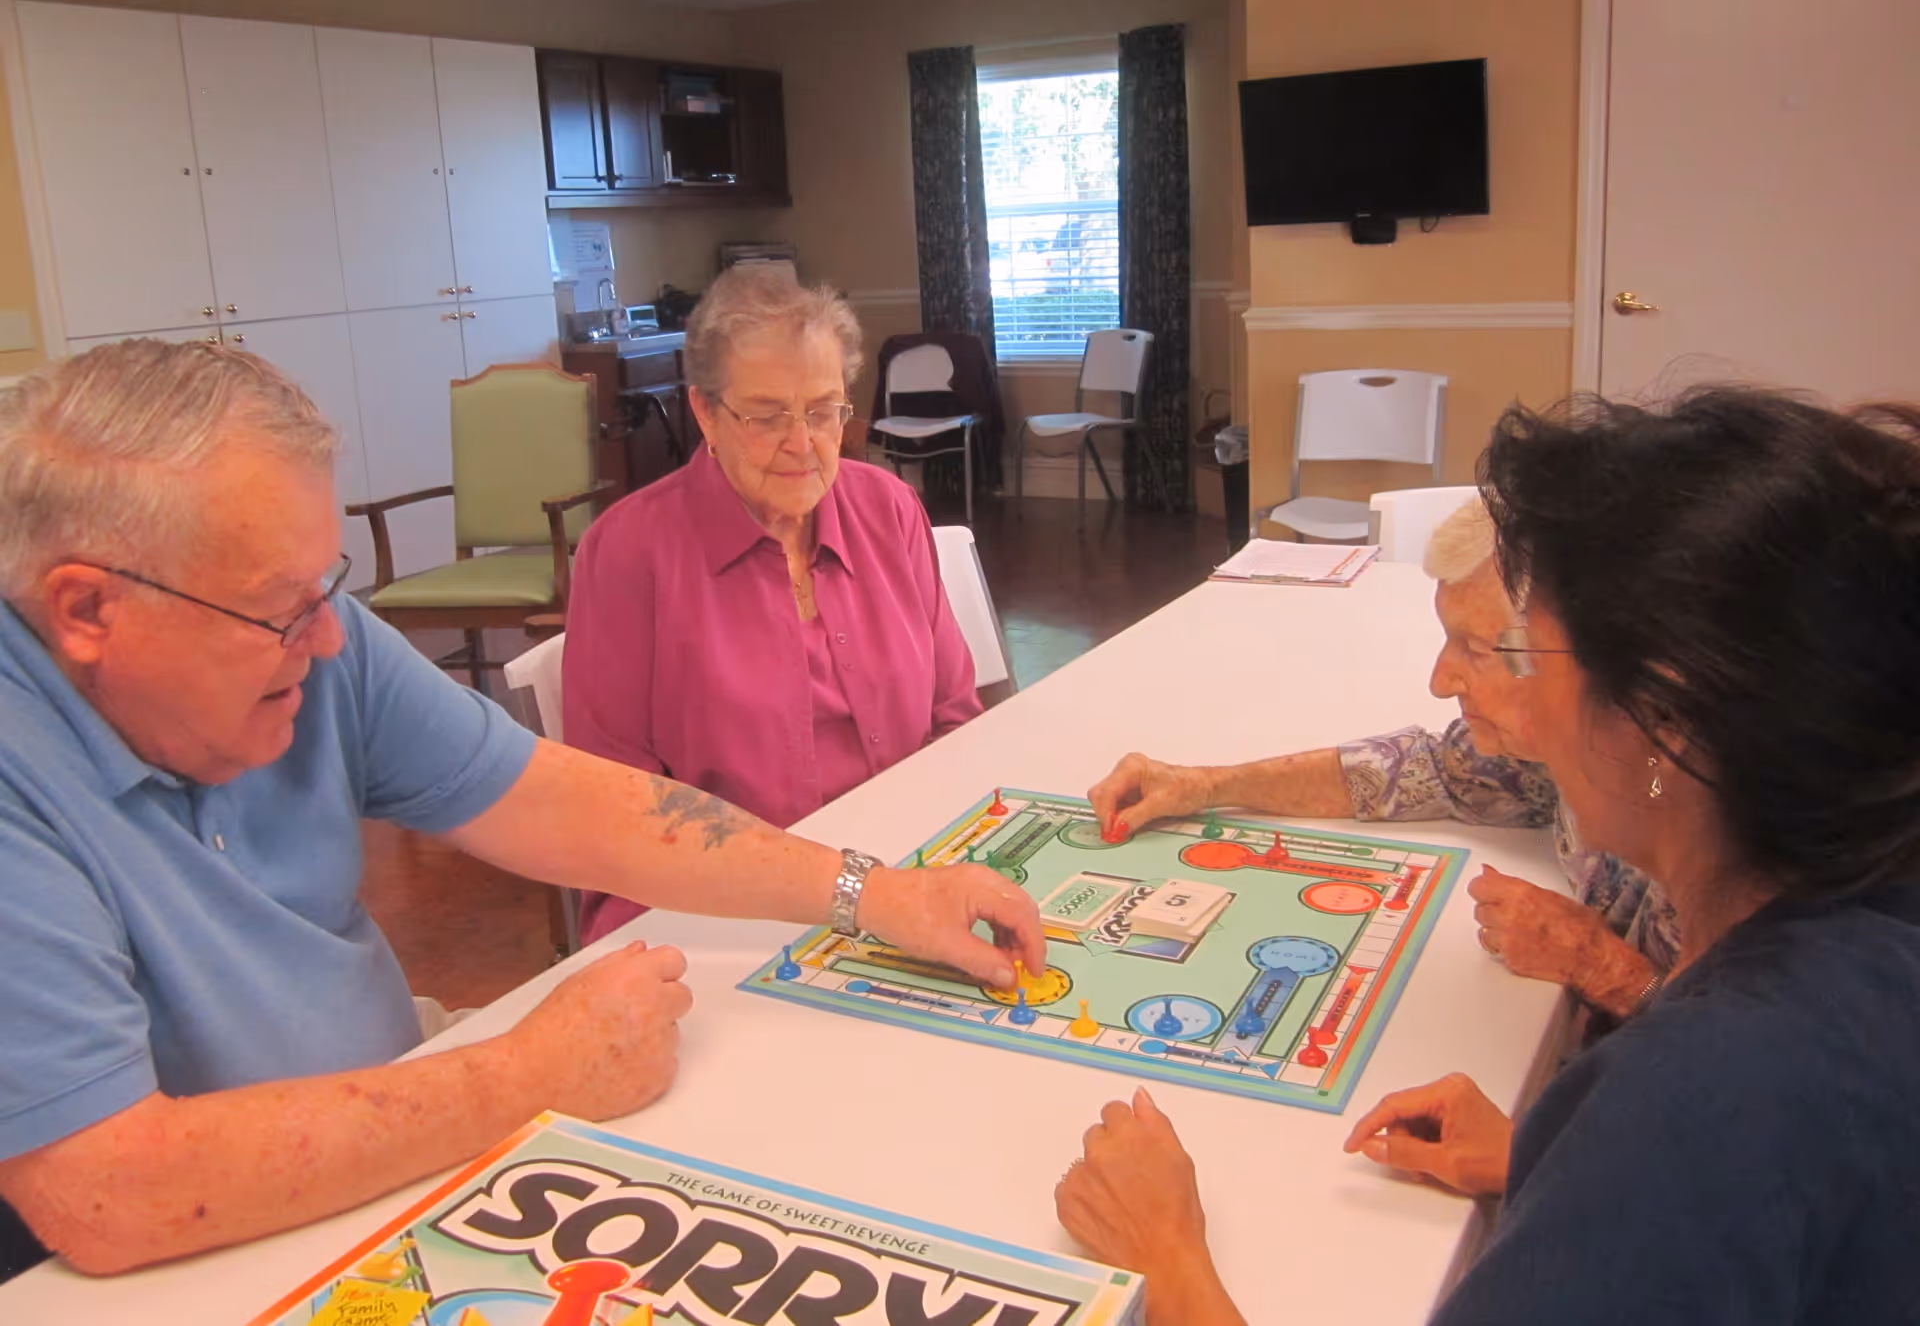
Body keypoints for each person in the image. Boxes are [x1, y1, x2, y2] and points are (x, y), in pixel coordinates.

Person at [0, 339, 1044, 1278]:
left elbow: (568, 803)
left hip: (398, 1114)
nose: (325, 644)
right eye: (279, 613)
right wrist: (525, 1074)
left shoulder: (316, 640)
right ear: (88, 609)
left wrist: (870, 892)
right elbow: (106, 1191)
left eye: (330, 590)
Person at [1056, 387, 1920, 1322]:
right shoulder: (1868, 927)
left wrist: (1168, 1257)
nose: (1459, 690)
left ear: (1663, 722)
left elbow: (1702, 1170)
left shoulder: (1696, 1107)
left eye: (1537, 654)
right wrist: (1544, 1152)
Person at [1088, 497, 1675, 1023]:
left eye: (1474, 648)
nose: (1440, 682)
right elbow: (1424, 771)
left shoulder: (1706, 810)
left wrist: (1606, 970)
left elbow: (1750, 1080)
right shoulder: (1569, 741)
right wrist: (1205, 785)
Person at [564, 265, 983, 945]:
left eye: (823, 411)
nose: (802, 443)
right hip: (731, 916)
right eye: (766, 416)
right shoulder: (628, 553)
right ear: (705, 411)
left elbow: (954, 719)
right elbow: (615, 818)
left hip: (909, 883)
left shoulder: (890, 510)